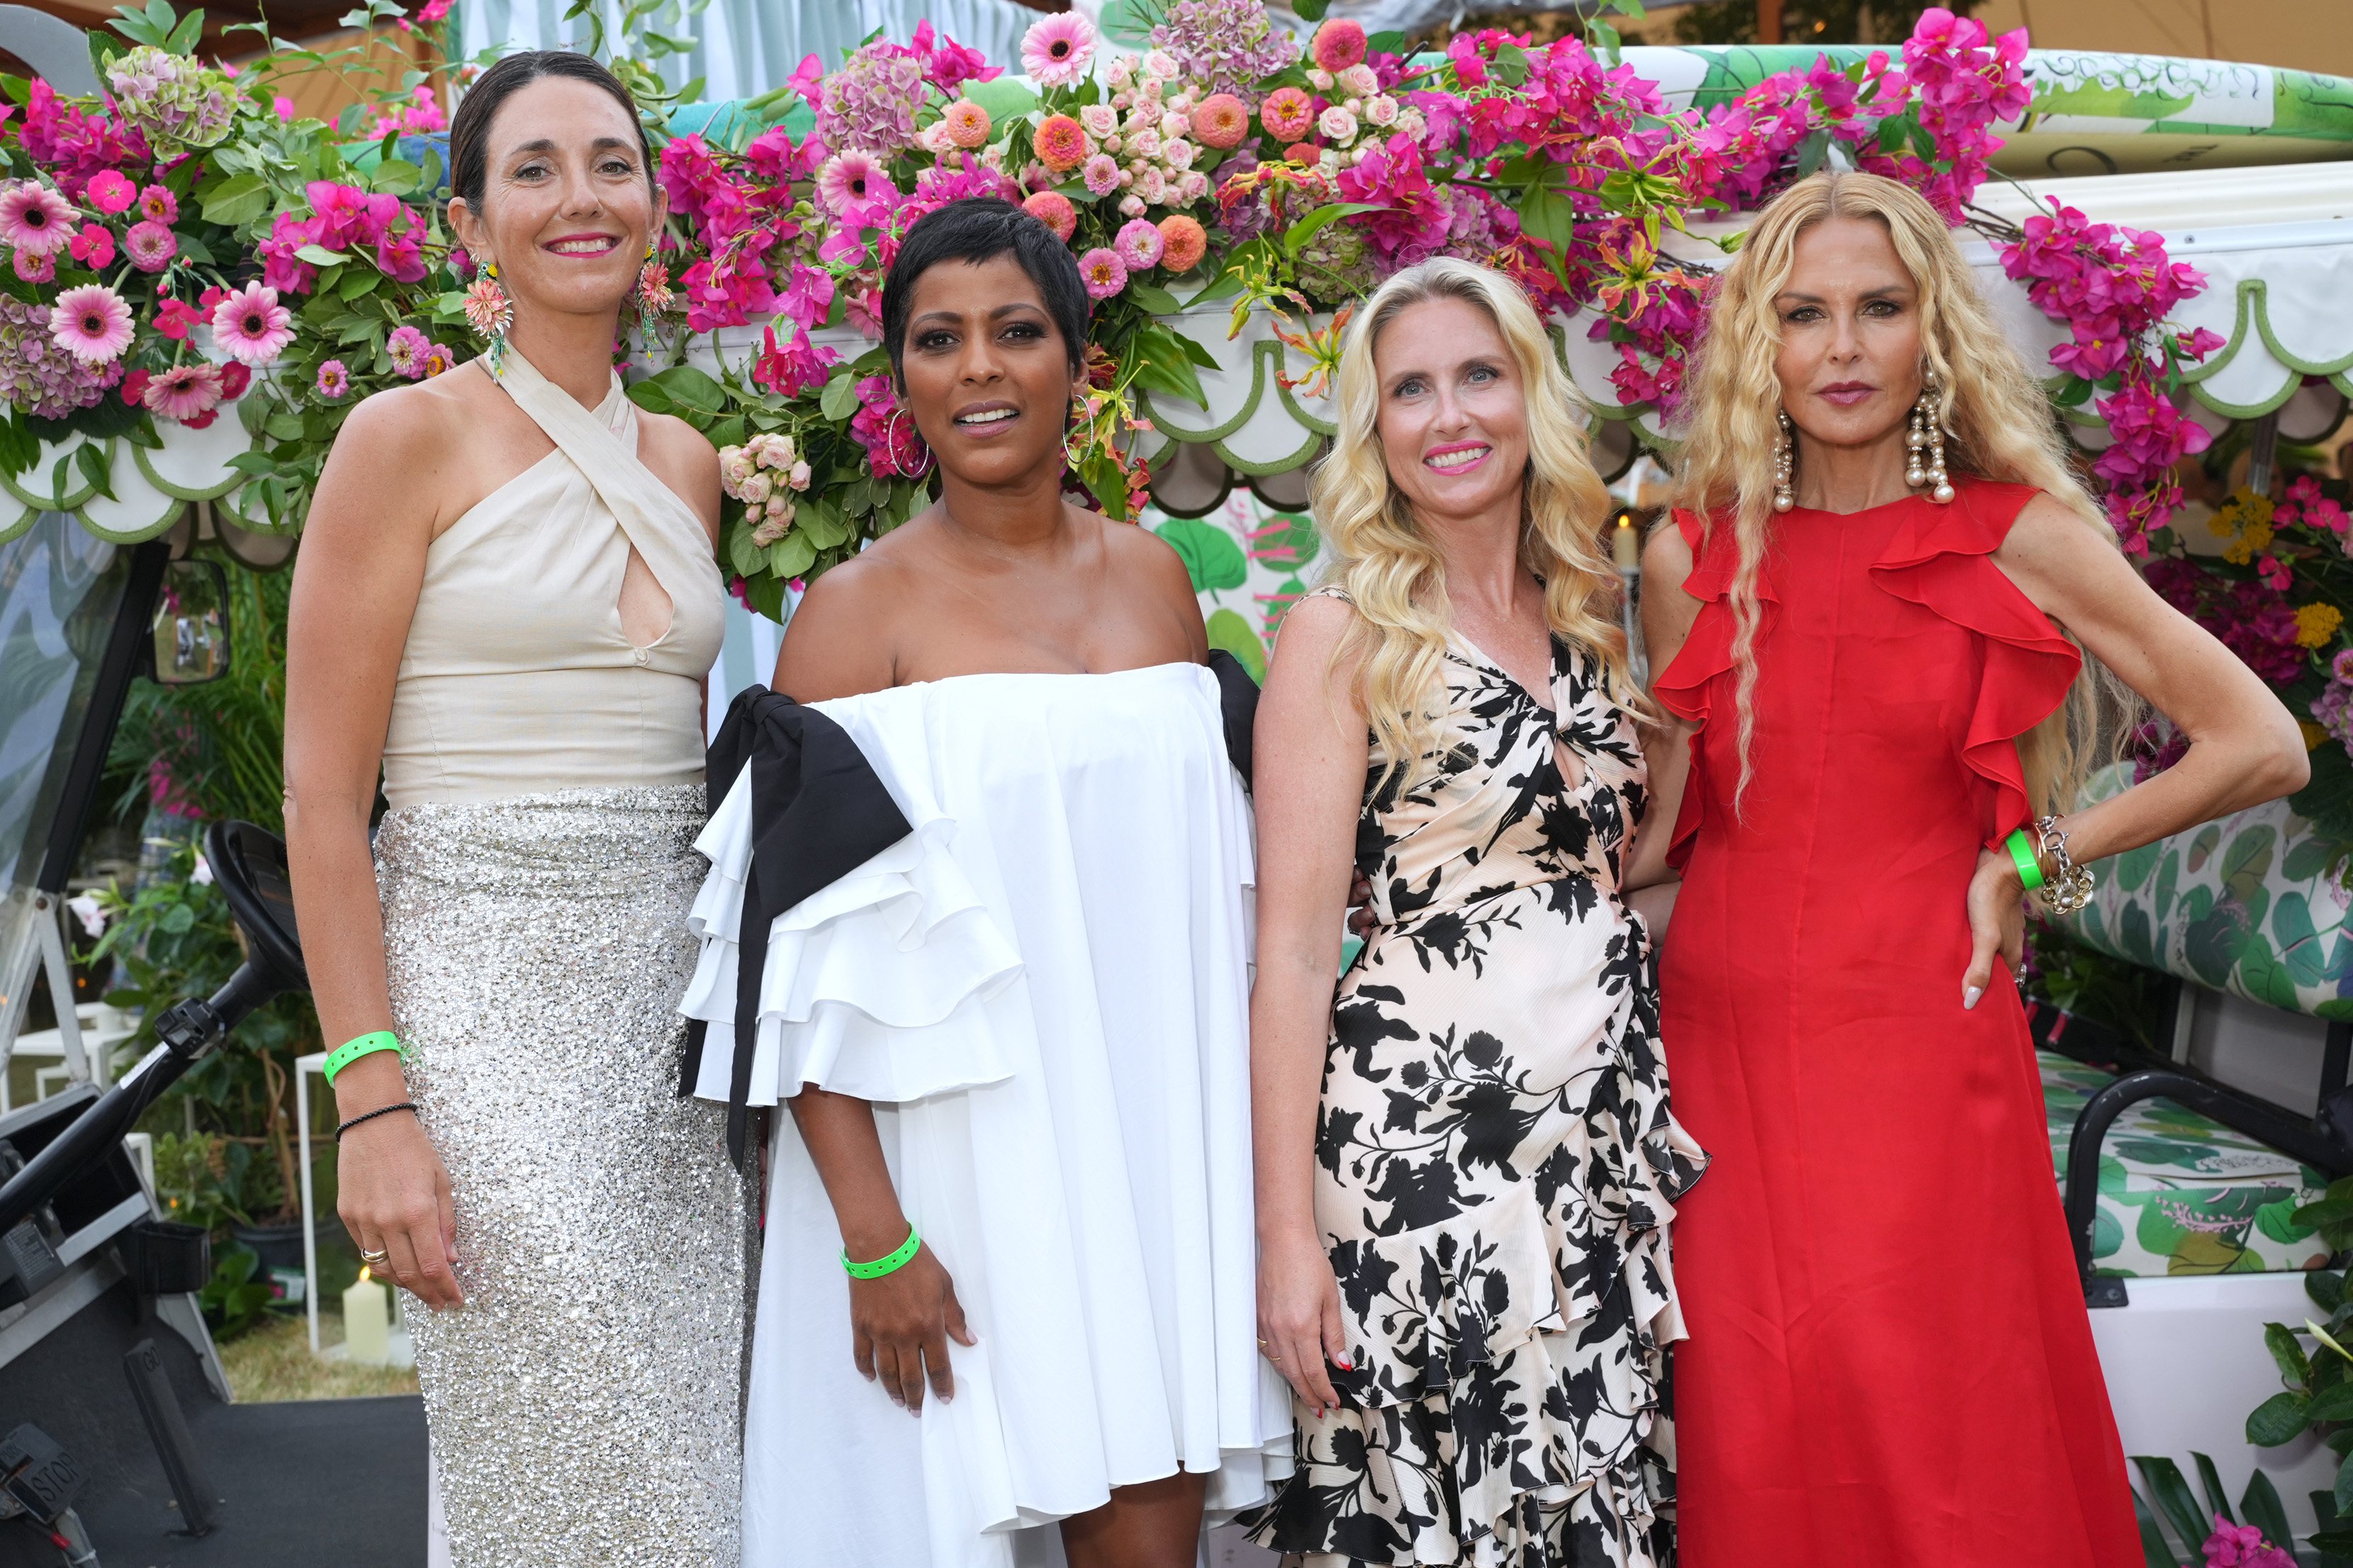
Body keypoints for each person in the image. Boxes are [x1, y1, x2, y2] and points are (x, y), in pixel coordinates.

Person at [1632, 169, 2310, 1567]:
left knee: (1934, 1423)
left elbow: (2257, 742)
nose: (1839, 348)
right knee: (1755, 1424)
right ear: (1756, 342)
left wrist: (2035, 856)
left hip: (1921, 1040)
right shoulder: (1681, 549)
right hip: (1722, 1050)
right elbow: (1663, 836)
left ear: (1931, 333)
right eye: (1802, 313)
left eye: (1878, 310)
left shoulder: (2019, 535)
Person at [682, 196, 1289, 1568]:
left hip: (1144, 1148)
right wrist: (871, 1234)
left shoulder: (1157, 584)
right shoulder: (853, 613)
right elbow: (797, 954)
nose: (979, 369)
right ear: (900, 377)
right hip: (944, 1162)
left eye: (1016, 332)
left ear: (1076, 359)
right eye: (937, 339)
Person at [282, 51, 748, 1567]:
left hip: (667, 1042)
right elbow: (319, 797)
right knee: (553, 1451)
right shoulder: (401, 440)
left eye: (610, 163)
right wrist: (374, 1099)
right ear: (473, 225)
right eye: (533, 168)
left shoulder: (687, 460)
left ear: (653, 208)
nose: (578, 197)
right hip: (478, 1022)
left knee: (691, 1464)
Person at [1240, 257, 1705, 1567]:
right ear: (1373, 428)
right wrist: (1285, 1245)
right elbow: (1288, 952)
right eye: (1411, 389)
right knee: (1445, 1519)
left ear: (1531, 398)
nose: (1450, 416)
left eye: (1479, 376)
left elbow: (1638, 874)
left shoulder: (1596, 621)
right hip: (1421, 1156)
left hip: (1597, 1157)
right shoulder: (1340, 633)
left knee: (1597, 1515)